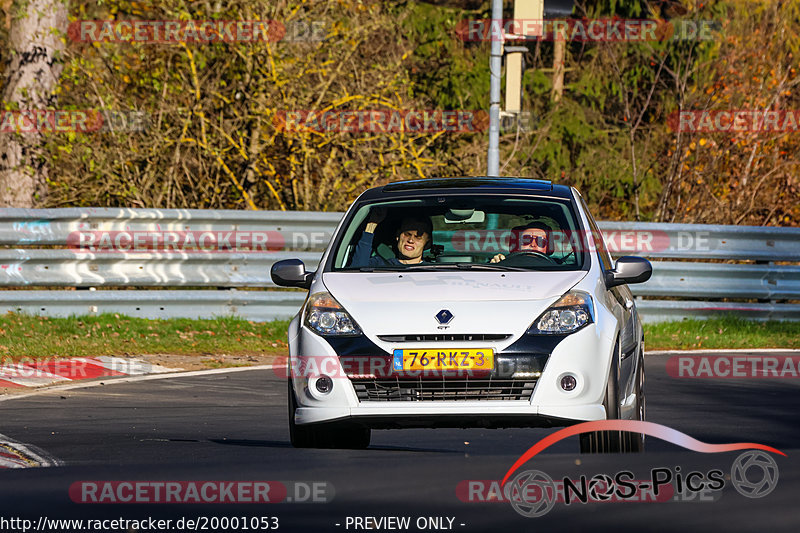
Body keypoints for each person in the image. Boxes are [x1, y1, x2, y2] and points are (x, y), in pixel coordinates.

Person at [349, 207, 433, 267]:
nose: (411, 240)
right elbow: (356, 270)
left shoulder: (433, 271)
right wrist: (372, 225)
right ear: (398, 236)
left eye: (418, 237)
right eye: (407, 234)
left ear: (428, 243)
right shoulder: (379, 265)